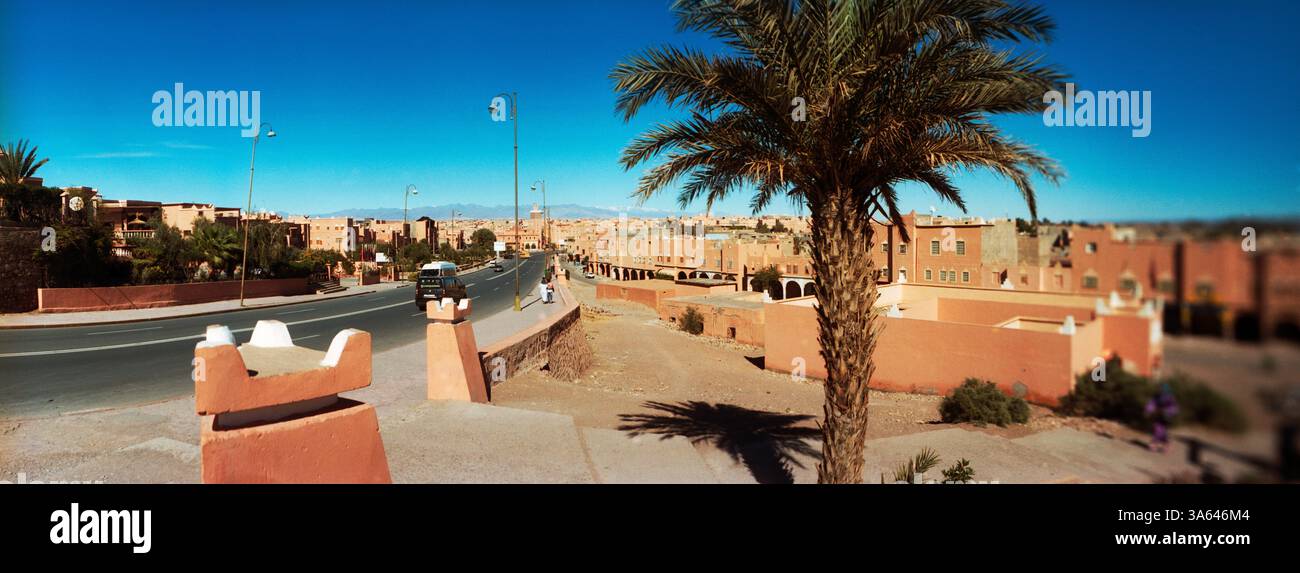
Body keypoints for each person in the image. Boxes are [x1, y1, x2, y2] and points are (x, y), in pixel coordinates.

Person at [1145, 383, 1179, 453]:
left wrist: (1168, 412)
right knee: (1156, 428)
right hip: (1158, 415)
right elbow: (1152, 403)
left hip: (1166, 417)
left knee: (1163, 431)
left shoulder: (1170, 398)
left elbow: (1174, 408)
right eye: (1159, 389)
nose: (1160, 390)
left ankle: (1165, 443)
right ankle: (1154, 443)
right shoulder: (1157, 396)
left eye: (1161, 389)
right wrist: (1148, 410)